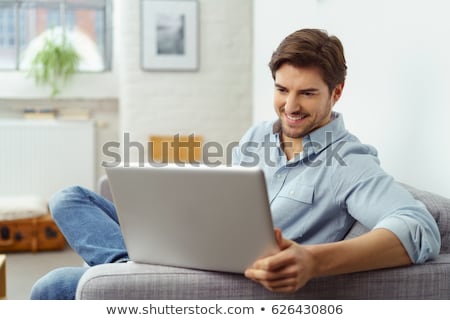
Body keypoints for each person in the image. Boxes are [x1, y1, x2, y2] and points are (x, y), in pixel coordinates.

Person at [30, 28, 441, 299]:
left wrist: (314, 261)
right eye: (282, 90)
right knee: (69, 197)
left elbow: (419, 227)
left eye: (308, 94)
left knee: (54, 286)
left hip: (228, 277)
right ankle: (131, 270)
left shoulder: (349, 163)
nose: (290, 107)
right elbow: (220, 191)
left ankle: (129, 276)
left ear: (337, 93)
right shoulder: (260, 135)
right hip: (193, 246)